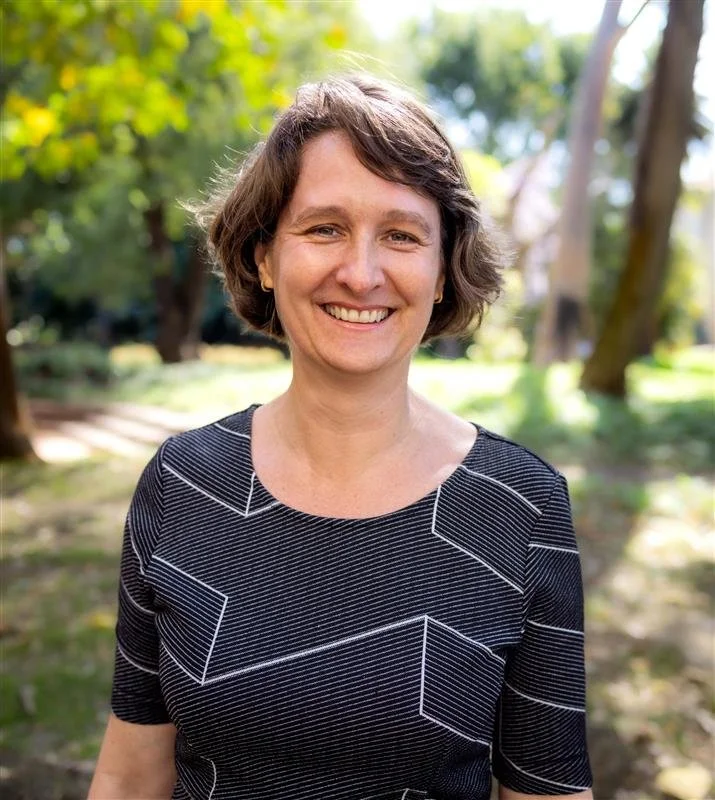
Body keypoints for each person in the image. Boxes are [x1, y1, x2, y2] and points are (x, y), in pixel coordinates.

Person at [89, 74, 593, 800]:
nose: (361, 274)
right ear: (264, 257)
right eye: (323, 227)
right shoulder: (181, 484)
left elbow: (546, 794)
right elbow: (129, 773)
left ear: (442, 269)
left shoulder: (522, 507)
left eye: (400, 234)